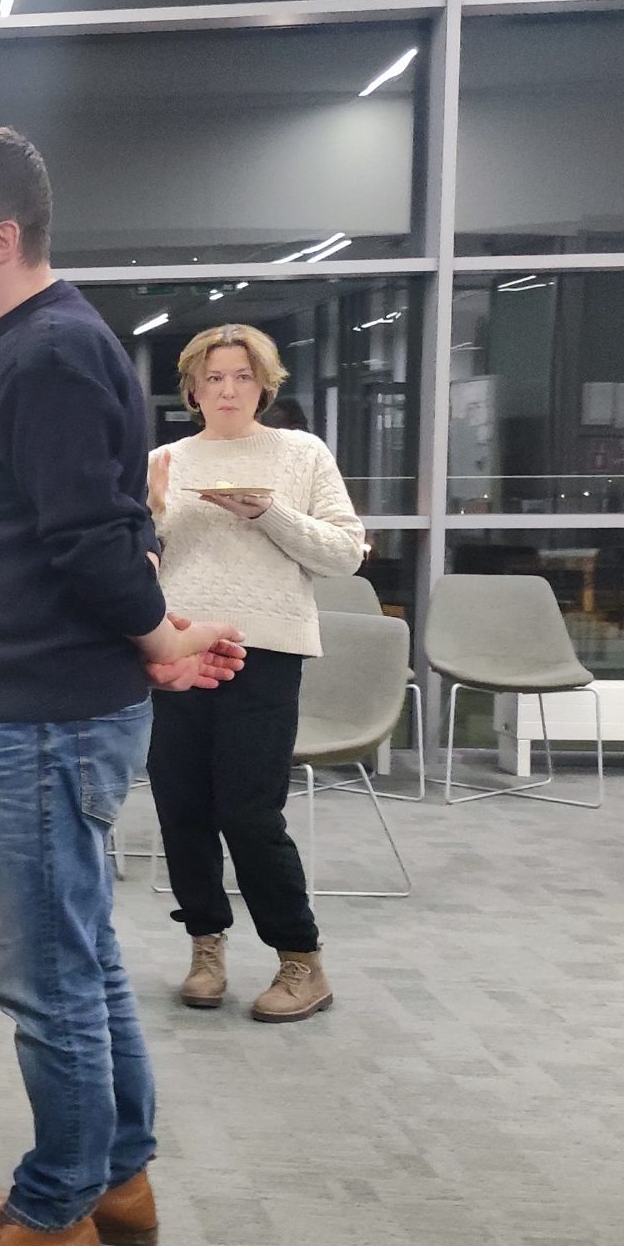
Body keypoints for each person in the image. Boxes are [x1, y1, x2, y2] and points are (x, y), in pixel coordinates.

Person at [0, 126, 245, 1246]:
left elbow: (92, 539)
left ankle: (55, 1217)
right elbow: (104, 521)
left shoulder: (44, 352)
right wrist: (151, 639)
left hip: (46, 709)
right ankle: (114, 1174)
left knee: (47, 972)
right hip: (54, 697)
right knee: (81, 959)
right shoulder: (41, 345)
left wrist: (156, 640)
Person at [144, 324, 365, 1024]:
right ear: (192, 389)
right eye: (213, 378)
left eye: (242, 376)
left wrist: (269, 511)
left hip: (266, 649)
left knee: (248, 811)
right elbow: (135, 561)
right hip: (180, 650)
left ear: (264, 386)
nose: (228, 389)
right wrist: (146, 517)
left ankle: (301, 959)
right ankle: (205, 946)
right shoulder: (163, 461)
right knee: (181, 807)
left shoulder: (302, 453)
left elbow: (345, 553)